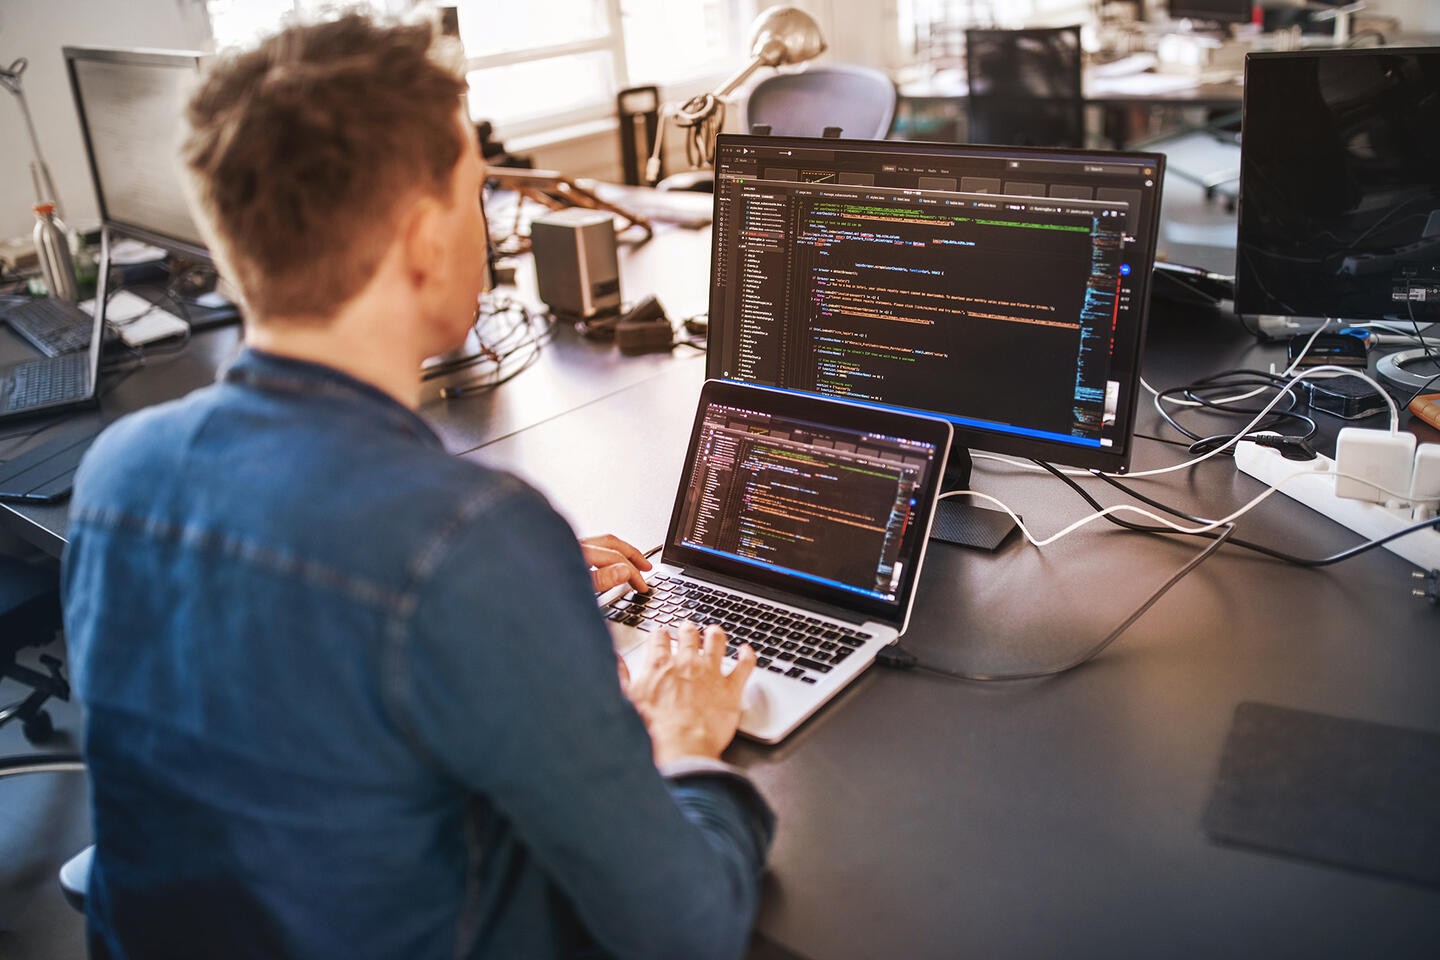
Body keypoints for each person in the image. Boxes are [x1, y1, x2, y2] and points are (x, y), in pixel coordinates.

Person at [62, 12, 772, 960]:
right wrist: (686, 743)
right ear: (421, 241)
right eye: (475, 193)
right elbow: (689, 929)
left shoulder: (117, 472)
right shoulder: (470, 541)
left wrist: (510, 599)